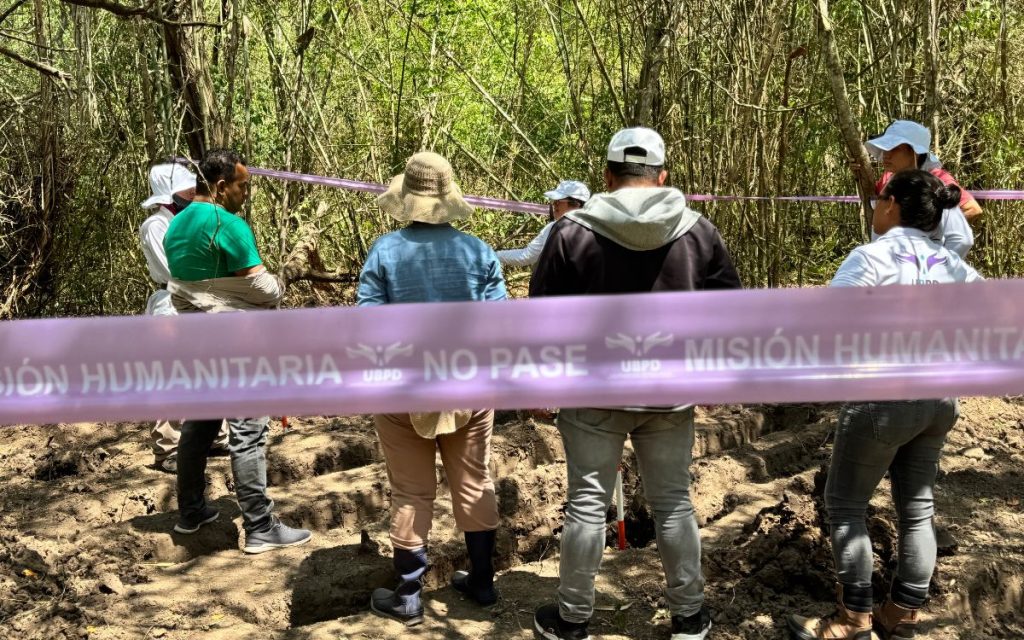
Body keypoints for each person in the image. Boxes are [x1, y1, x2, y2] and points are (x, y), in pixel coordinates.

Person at [529, 128, 742, 640]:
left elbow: (539, 319)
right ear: (663, 176)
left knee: (586, 502)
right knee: (673, 502)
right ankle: (689, 616)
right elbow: (731, 310)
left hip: (591, 391)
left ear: (606, 175)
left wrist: (541, 382)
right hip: (671, 393)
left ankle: (573, 619)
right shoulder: (698, 231)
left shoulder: (570, 232)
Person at [787, 170, 982, 640]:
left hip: (884, 396)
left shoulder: (871, 257)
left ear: (892, 203)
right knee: (917, 507)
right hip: (940, 398)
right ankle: (901, 615)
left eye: (878, 199)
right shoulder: (951, 263)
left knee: (846, 503)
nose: (873, 207)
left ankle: (852, 620)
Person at [357, 152, 507, 626]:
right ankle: (482, 582)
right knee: (473, 481)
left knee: (411, 493)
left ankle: (408, 595)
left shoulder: (385, 251)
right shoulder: (478, 252)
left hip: (403, 390)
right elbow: (499, 323)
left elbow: (367, 324)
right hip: (469, 387)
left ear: (407, 199)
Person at [163, 149, 311, 554]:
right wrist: (280, 283)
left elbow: (190, 286)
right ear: (221, 186)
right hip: (234, 342)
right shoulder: (227, 225)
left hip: (196, 340)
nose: (247, 194)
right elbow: (263, 289)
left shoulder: (175, 227)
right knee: (247, 430)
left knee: (199, 424)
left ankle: (191, 512)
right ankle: (260, 526)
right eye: (243, 186)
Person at [138, 161, 228, 473]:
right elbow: (172, 269)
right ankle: (168, 446)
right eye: (186, 189)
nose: (193, 192)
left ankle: (214, 435)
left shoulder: (195, 220)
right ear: (169, 195)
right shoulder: (156, 226)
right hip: (172, 303)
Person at [866, 120, 981, 257]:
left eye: (894, 148)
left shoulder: (936, 180)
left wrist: (934, 240)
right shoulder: (888, 179)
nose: (886, 154)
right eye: (885, 148)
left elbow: (973, 210)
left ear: (915, 152)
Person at [496, 180, 590, 268]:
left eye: (558, 202)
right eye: (553, 201)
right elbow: (526, 256)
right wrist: (495, 255)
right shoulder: (552, 228)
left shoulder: (595, 231)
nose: (554, 205)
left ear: (576, 205)